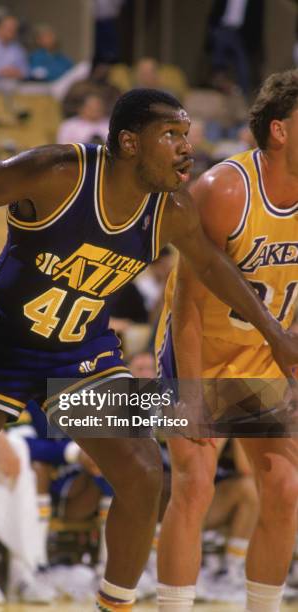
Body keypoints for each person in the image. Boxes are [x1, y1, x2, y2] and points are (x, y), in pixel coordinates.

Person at [0, 87, 298, 612]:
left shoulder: (170, 209)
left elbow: (214, 266)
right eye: (171, 135)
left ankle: (115, 605)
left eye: (187, 134)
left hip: (77, 358)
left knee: (143, 472)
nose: (185, 148)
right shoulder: (61, 173)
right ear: (130, 142)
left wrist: (273, 332)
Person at [155, 70, 298, 611]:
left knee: (285, 489)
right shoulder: (223, 190)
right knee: (194, 484)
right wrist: (189, 393)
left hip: (264, 358)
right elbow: (186, 302)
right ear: (280, 130)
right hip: (200, 352)